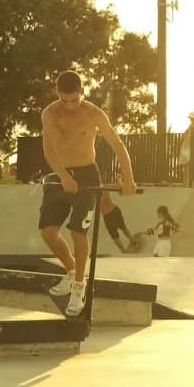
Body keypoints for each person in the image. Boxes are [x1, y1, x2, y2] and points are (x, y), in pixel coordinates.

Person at [41, 70, 137, 317]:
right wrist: (64, 176)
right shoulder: (50, 113)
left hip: (87, 175)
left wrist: (128, 178)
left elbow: (118, 145)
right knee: (48, 232)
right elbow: (49, 149)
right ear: (58, 95)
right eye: (64, 100)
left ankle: (79, 287)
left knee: (77, 231)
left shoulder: (94, 114)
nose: (69, 106)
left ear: (81, 93)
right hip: (60, 174)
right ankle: (72, 270)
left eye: (74, 100)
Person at [178, 112, 194, 186]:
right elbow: (185, 134)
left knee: (189, 165)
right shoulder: (191, 126)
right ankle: (186, 181)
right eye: (191, 118)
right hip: (187, 146)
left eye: (192, 118)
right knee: (186, 165)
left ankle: (189, 181)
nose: (191, 120)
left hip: (190, 147)